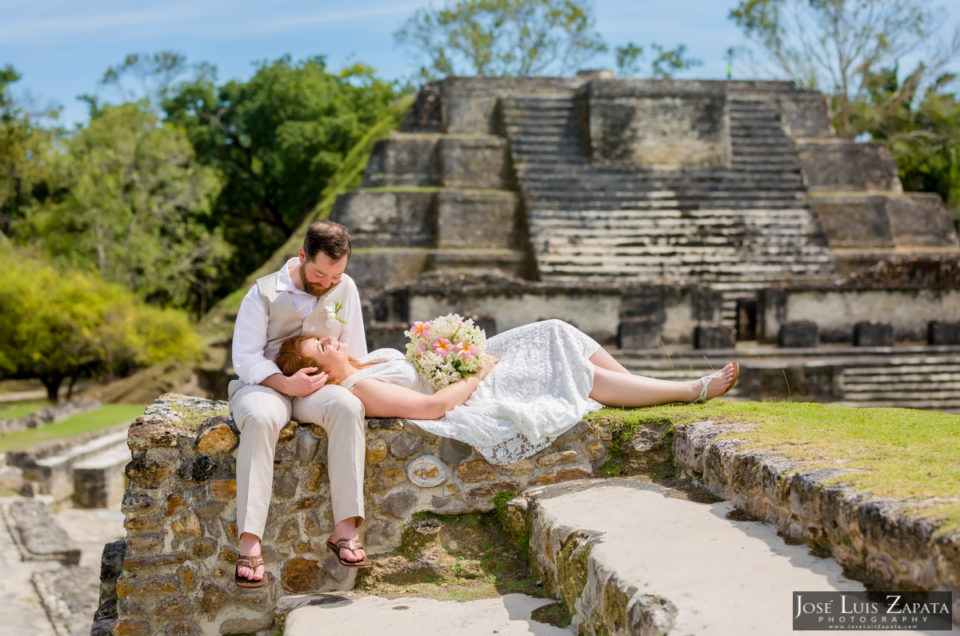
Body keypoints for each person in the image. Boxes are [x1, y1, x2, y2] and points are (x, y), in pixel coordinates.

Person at [275, 319, 739, 467]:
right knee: (573, 370)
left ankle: (643, 389)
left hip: (466, 372)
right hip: (470, 392)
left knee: (556, 330)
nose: (333, 340)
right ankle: (687, 390)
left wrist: (450, 346)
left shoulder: (363, 360)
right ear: (318, 371)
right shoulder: (360, 388)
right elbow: (433, 407)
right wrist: (476, 372)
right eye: (322, 345)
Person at [229, 221, 371, 589]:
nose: (327, 283)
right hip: (265, 385)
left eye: (335, 275)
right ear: (302, 255)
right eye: (320, 274)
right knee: (261, 419)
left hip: (319, 387)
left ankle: (345, 530)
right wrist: (285, 382)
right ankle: (249, 543)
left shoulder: (346, 286)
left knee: (347, 407)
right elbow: (244, 358)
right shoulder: (261, 293)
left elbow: (355, 350)